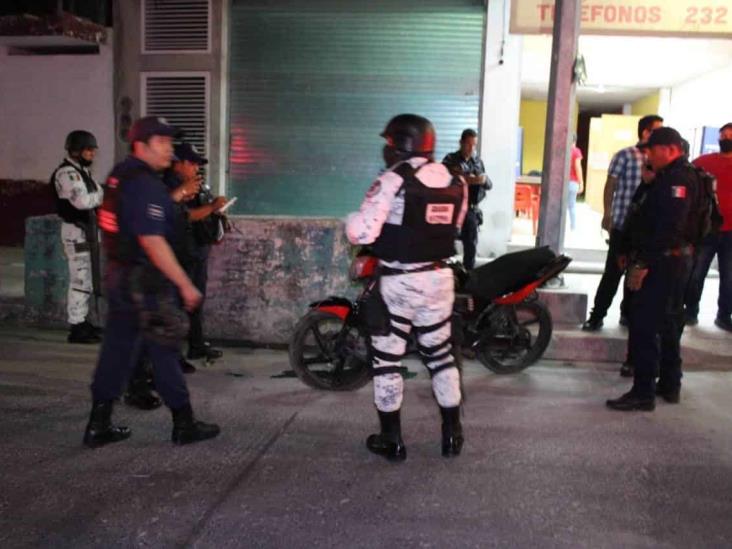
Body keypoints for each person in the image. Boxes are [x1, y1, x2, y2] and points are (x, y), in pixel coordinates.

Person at [83, 116, 220, 447]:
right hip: (147, 281)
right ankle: (184, 424)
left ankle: (98, 423)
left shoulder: (119, 176)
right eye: (162, 142)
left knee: (116, 351)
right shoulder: (145, 183)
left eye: (170, 143)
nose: (170, 150)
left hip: (120, 274)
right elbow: (153, 241)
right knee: (165, 351)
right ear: (141, 146)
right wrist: (184, 284)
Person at [346, 114, 468, 461]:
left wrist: (350, 222)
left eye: (388, 144)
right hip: (440, 279)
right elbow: (455, 226)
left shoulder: (394, 178)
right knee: (441, 357)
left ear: (400, 145)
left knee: (386, 360)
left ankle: (392, 440)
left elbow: (362, 233)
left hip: (400, 281)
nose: (386, 150)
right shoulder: (456, 179)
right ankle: (452, 434)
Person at [606, 128, 699, 411]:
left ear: (670, 149)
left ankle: (643, 392)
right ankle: (670, 384)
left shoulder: (678, 180)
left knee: (645, 324)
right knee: (668, 323)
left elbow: (669, 228)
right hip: (669, 261)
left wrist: (643, 263)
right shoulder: (669, 177)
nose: (647, 155)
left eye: (652, 150)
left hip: (664, 262)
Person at [582, 115, 663, 331]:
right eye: (657, 130)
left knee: (636, 272)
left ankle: (627, 314)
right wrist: (607, 213)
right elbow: (611, 185)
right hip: (623, 225)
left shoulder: (659, 161)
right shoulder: (626, 155)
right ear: (645, 132)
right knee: (613, 272)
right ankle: (597, 315)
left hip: (645, 229)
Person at [170, 142, 227, 363]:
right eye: (192, 163)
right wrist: (211, 208)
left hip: (196, 250)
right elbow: (185, 217)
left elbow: (201, 209)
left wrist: (215, 206)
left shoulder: (194, 184)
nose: (196, 168)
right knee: (176, 305)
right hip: (180, 253)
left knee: (196, 301)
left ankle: (196, 345)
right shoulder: (170, 187)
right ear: (179, 163)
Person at [51, 130, 104, 344]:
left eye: (93, 150)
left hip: (86, 231)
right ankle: (76, 326)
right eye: (88, 149)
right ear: (75, 150)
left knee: (88, 279)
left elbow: (96, 194)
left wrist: (99, 195)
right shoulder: (67, 174)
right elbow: (83, 201)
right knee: (80, 279)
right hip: (76, 232)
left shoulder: (82, 172)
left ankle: (82, 321)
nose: (92, 153)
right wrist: (101, 196)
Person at [684, 122, 732, 332]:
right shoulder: (704, 162)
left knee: (729, 277)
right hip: (707, 228)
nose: (725, 138)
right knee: (696, 273)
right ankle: (690, 311)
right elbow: (685, 177)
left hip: (731, 232)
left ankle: (724, 316)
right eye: (723, 135)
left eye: (729, 135)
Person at [442, 128, 491, 269]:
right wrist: (470, 180)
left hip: (470, 209)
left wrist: (482, 180)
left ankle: (468, 275)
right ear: (461, 143)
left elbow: (488, 184)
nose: (471, 148)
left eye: (474, 145)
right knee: (446, 243)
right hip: (453, 209)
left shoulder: (477, 162)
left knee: (470, 245)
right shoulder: (451, 159)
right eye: (468, 144)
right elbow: (449, 177)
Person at [567, 135, 584, 231]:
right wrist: (581, 182)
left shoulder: (563, 151)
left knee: (561, 205)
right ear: (575, 141)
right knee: (572, 205)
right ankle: (573, 226)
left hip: (562, 182)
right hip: (573, 182)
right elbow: (578, 167)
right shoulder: (576, 151)